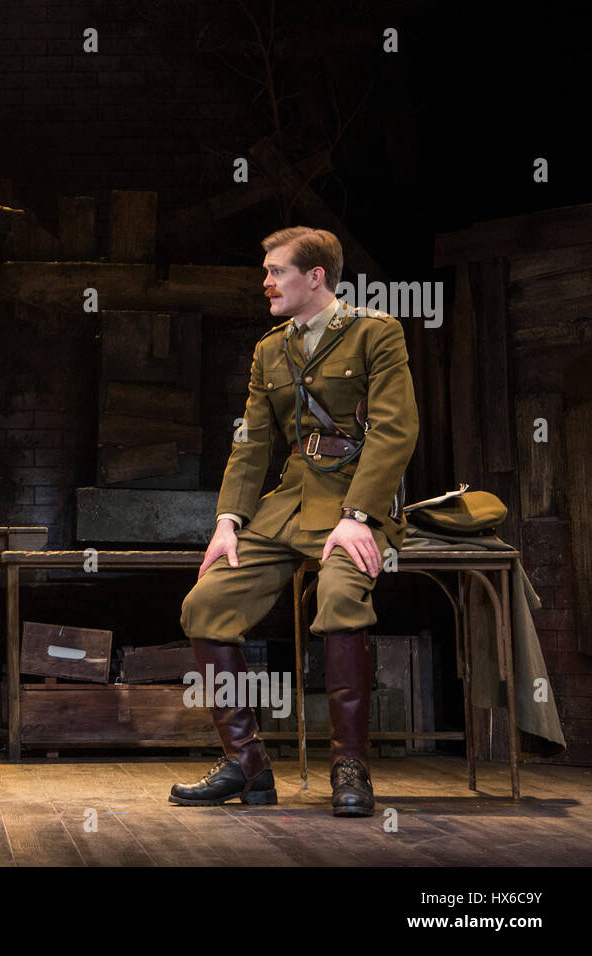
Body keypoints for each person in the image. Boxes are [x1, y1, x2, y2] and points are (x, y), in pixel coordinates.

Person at [171, 227, 418, 816]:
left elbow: (393, 430)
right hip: (288, 503)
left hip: (354, 503)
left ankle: (349, 765)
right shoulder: (270, 349)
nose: (266, 282)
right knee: (205, 604)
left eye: (276, 271)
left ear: (315, 278)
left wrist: (359, 515)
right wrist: (228, 520)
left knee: (337, 594)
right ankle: (246, 763)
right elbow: (252, 442)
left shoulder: (376, 333)